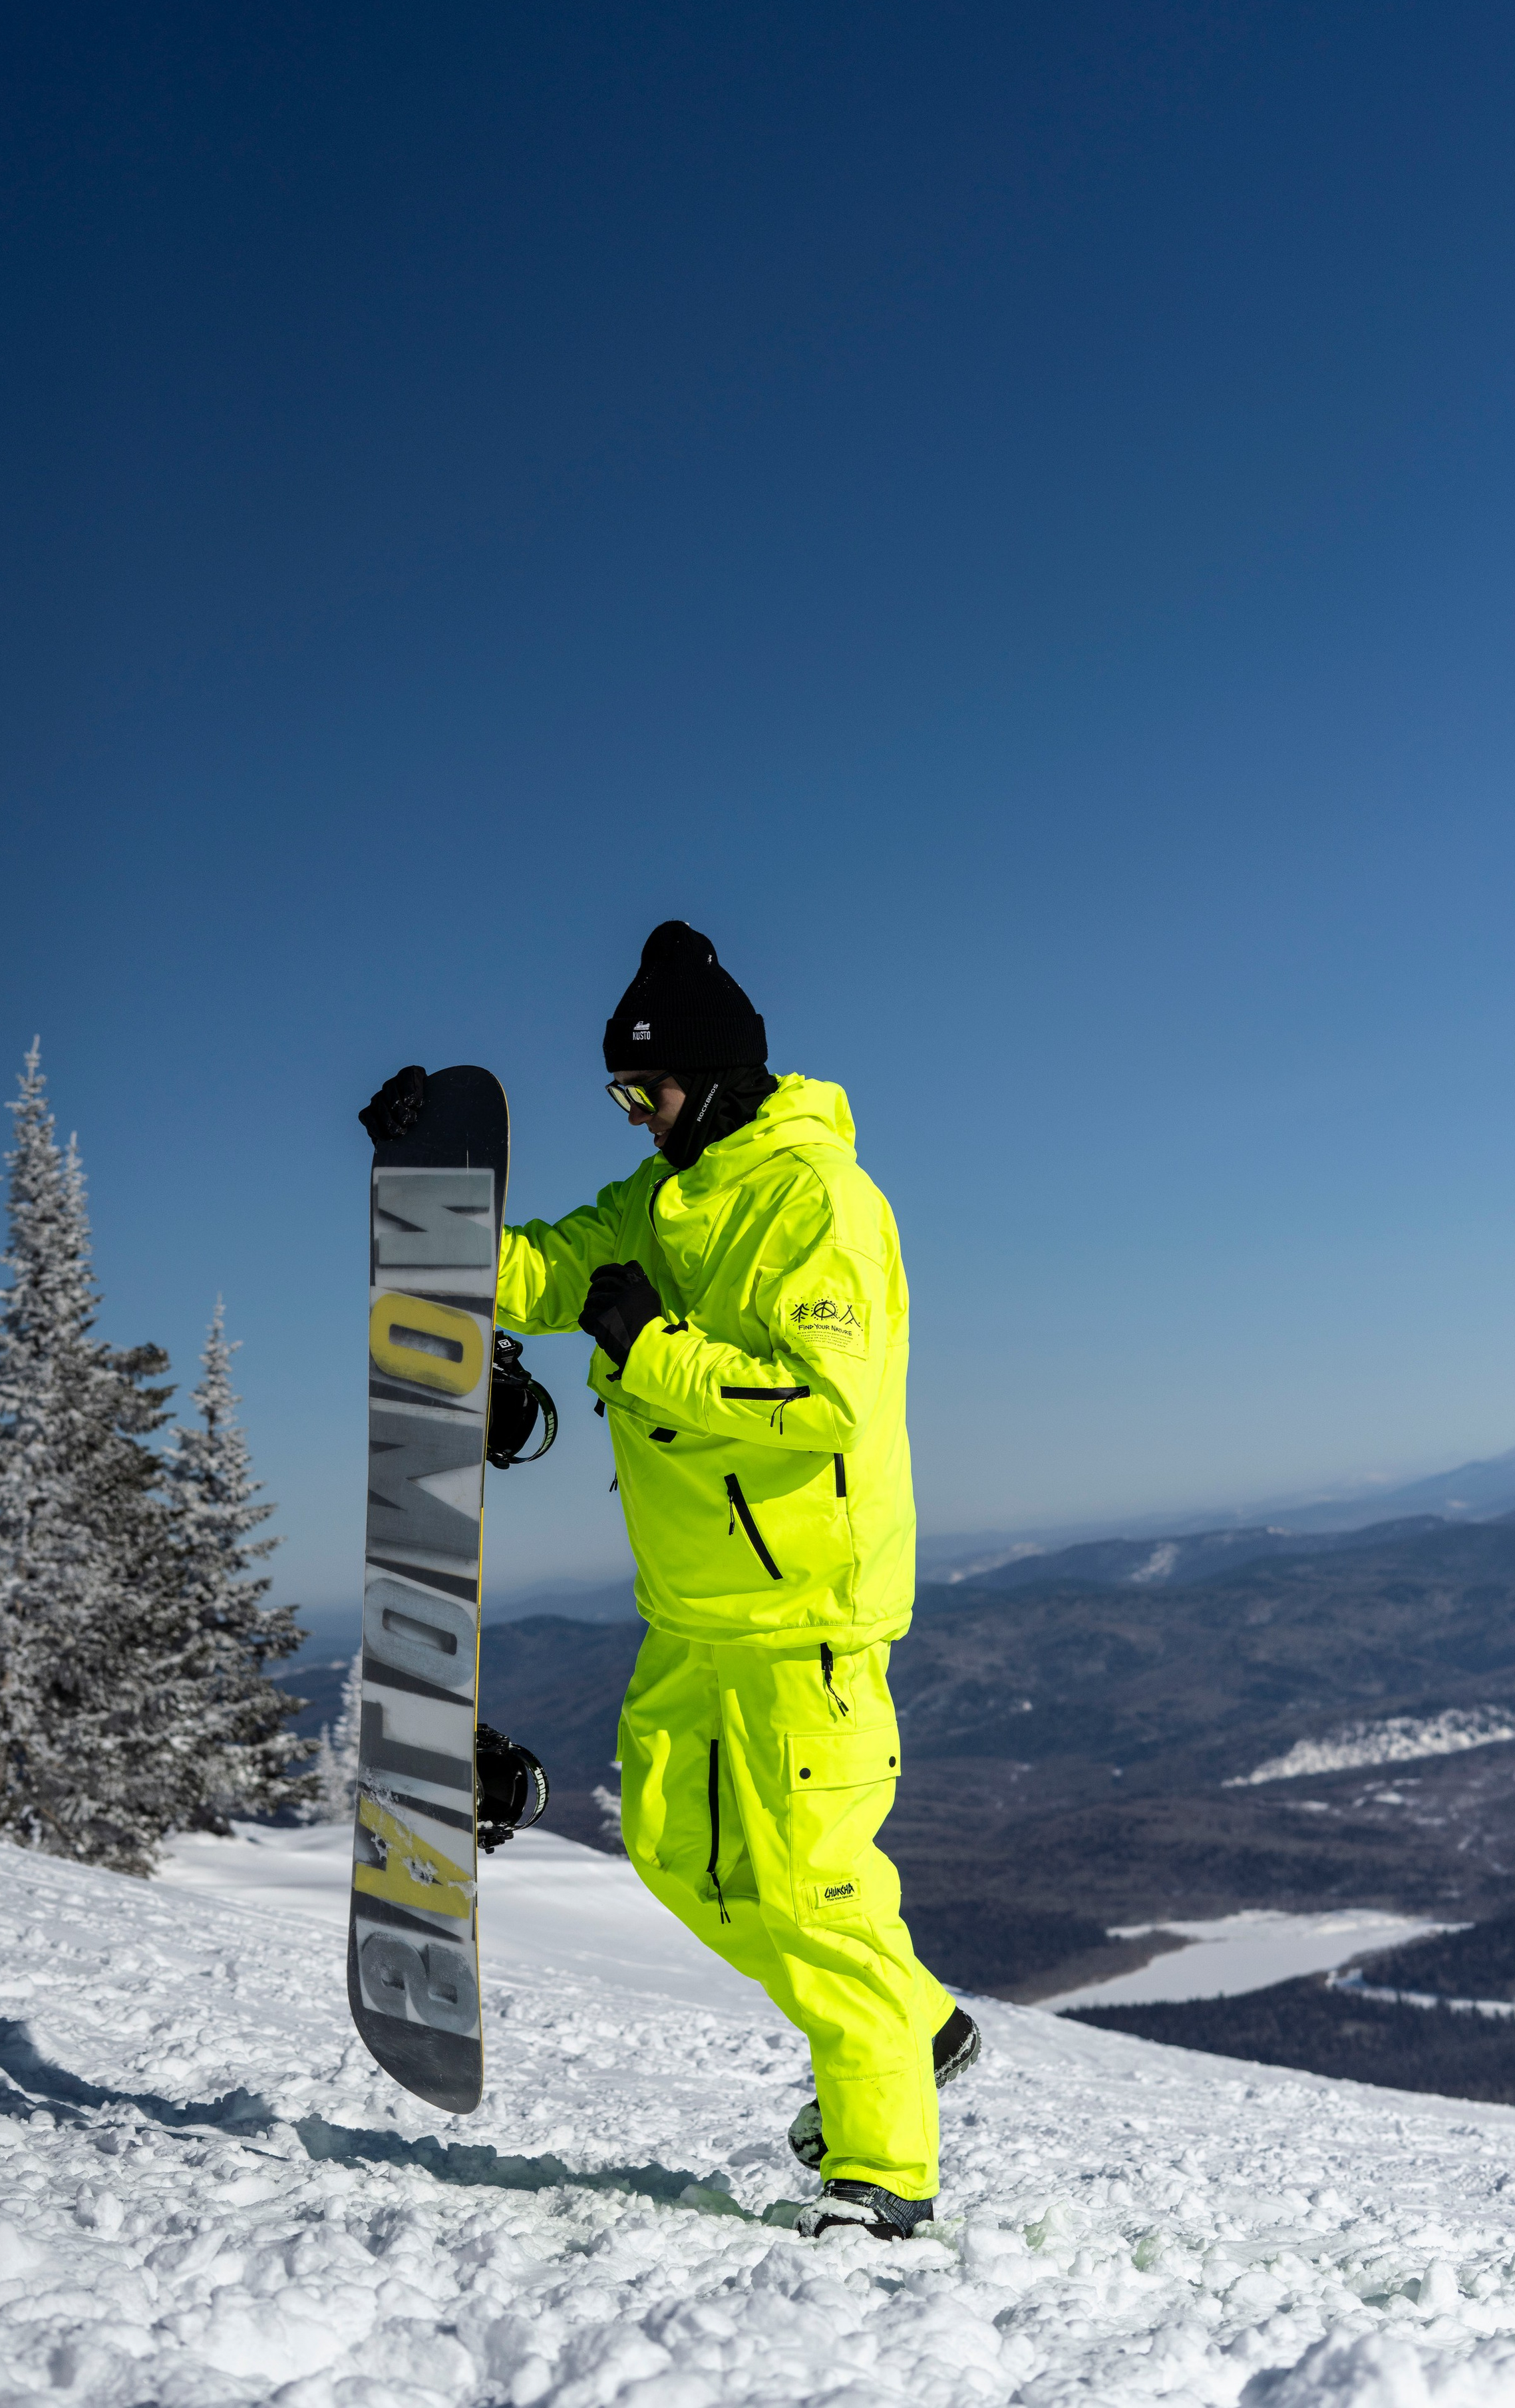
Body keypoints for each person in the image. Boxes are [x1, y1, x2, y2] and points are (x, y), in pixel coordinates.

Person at [363, 920, 977, 2240]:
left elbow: (824, 1401)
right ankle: (913, 2026)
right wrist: (426, 1195)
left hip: (804, 1614)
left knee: (812, 1895)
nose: (636, 1117)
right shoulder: (655, 1199)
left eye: (648, 1091)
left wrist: (650, 1349)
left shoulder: (817, 1203)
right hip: (692, 1612)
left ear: (720, 1074)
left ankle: (884, 2173)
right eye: (620, 1097)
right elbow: (544, 1272)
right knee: (672, 1854)